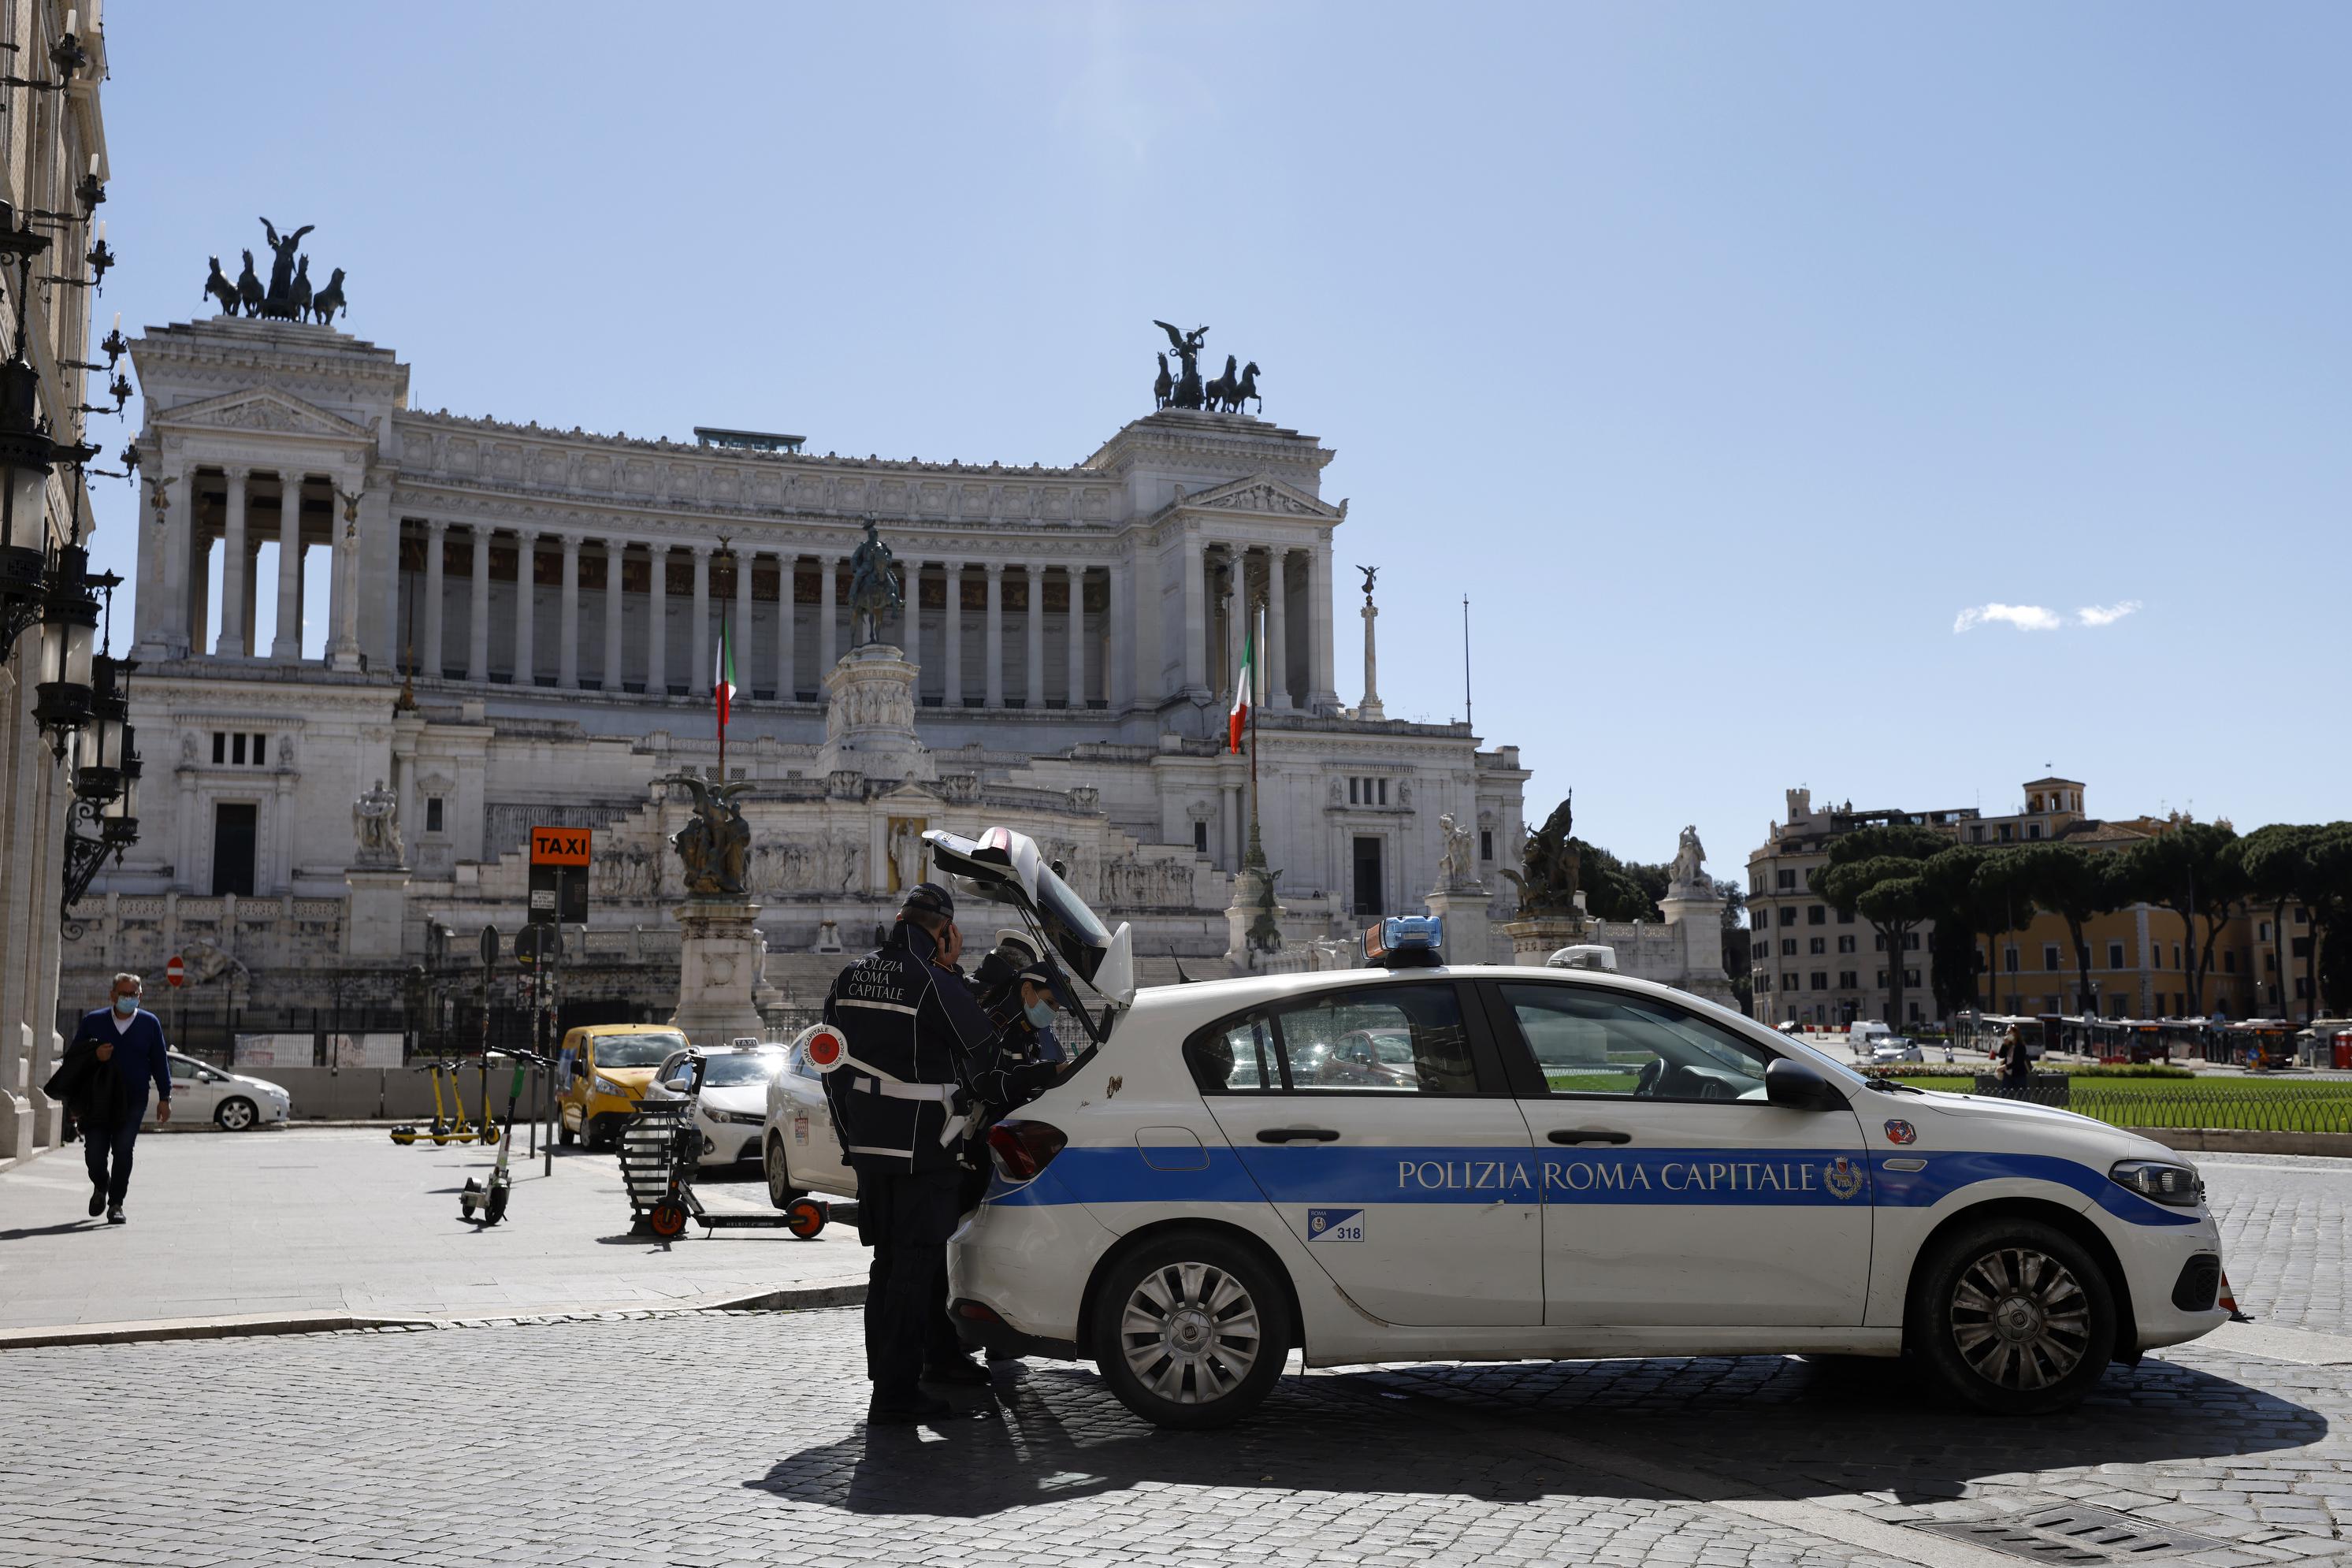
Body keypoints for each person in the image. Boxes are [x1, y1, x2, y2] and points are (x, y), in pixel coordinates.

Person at [821, 882, 1053, 1425]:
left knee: (886, 1270)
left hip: (870, 1147)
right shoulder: (930, 981)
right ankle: (896, 1395)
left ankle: (893, 1380)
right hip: (925, 1147)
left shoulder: (850, 975)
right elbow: (986, 1063)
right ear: (944, 931)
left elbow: (828, 1061)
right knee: (913, 1269)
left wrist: (851, 1136)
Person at [57, 973, 173, 1223]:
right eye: (124, 994)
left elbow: (160, 1062)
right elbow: (74, 1058)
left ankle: (116, 1203)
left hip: (133, 1098)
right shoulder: (93, 1021)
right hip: (97, 1099)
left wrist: (165, 1096)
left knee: (123, 1149)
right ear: (112, 995)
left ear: (140, 996)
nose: (128, 998)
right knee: (95, 1153)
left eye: (133, 994)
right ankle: (101, 1184)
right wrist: (95, 1056)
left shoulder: (149, 1023)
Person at [1996, 1025, 2034, 1093]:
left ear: (2015, 1034)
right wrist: (2004, 1045)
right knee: (2005, 1094)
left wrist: (2005, 1067)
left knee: (2020, 1094)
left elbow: (2018, 1062)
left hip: (2018, 1075)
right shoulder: (2009, 1045)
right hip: (2008, 1074)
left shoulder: (2021, 1046)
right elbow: (2001, 1055)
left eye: (2009, 1032)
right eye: (2006, 1032)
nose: (2006, 1034)